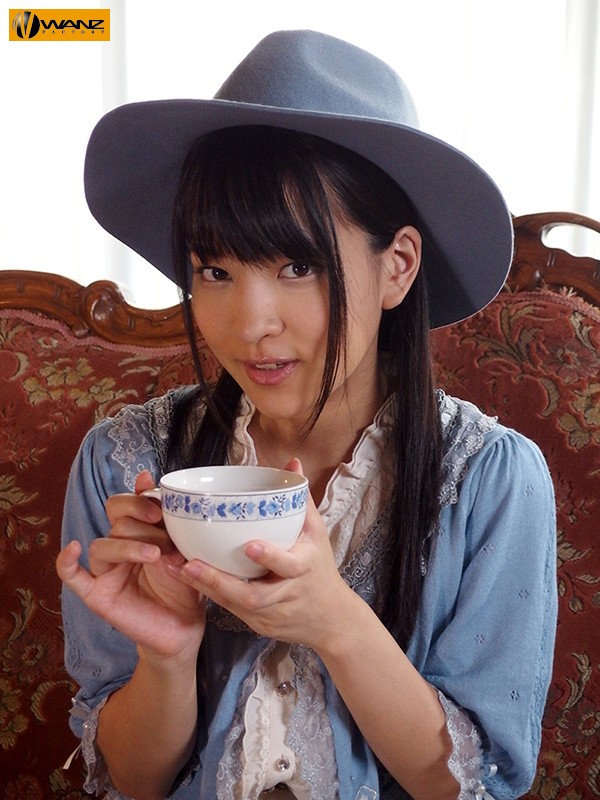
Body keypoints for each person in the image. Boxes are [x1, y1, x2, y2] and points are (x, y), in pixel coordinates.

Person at [56, 29, 557, 800]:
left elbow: (478, 785)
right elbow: (133, 780)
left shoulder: (489, 480)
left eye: (298, 265)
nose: (250, 323)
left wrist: (335, 622)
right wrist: (168, 652)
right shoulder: (125, 465)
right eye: (214, 269)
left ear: (397, 267)